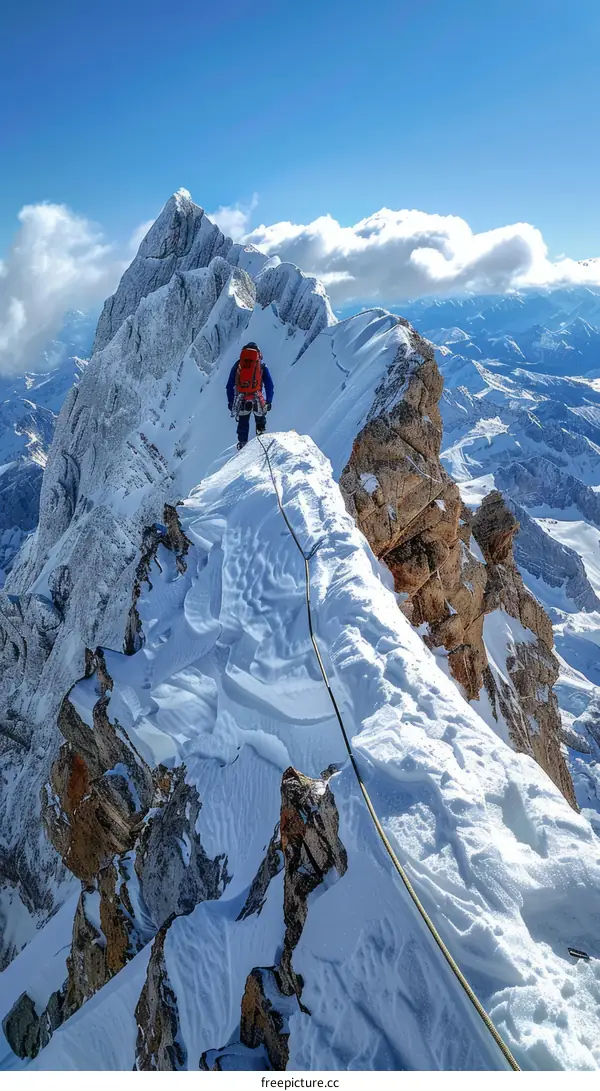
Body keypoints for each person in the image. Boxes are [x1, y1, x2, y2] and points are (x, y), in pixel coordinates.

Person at [227, 342, 274, 449]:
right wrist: (269, 401)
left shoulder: (238, 365)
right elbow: (269, 385)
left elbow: (229, 385)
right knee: (260, 420)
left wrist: (231, 402)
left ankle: (242, 444)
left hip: (242, 398)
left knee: (243, 423)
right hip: (257, 397)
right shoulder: (261, 366)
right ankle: (261, 439)